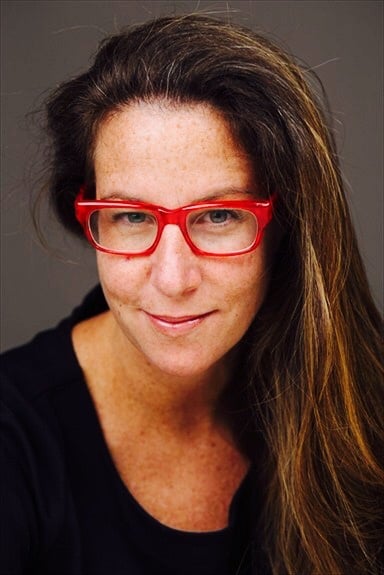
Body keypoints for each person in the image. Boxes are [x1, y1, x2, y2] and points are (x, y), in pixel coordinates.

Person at [0, 13, 383, 575]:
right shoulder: (13, 439)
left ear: (285, 226)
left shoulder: (364, 403)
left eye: (219, 215)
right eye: (130, 215)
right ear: (89, 219)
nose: (173, 278)